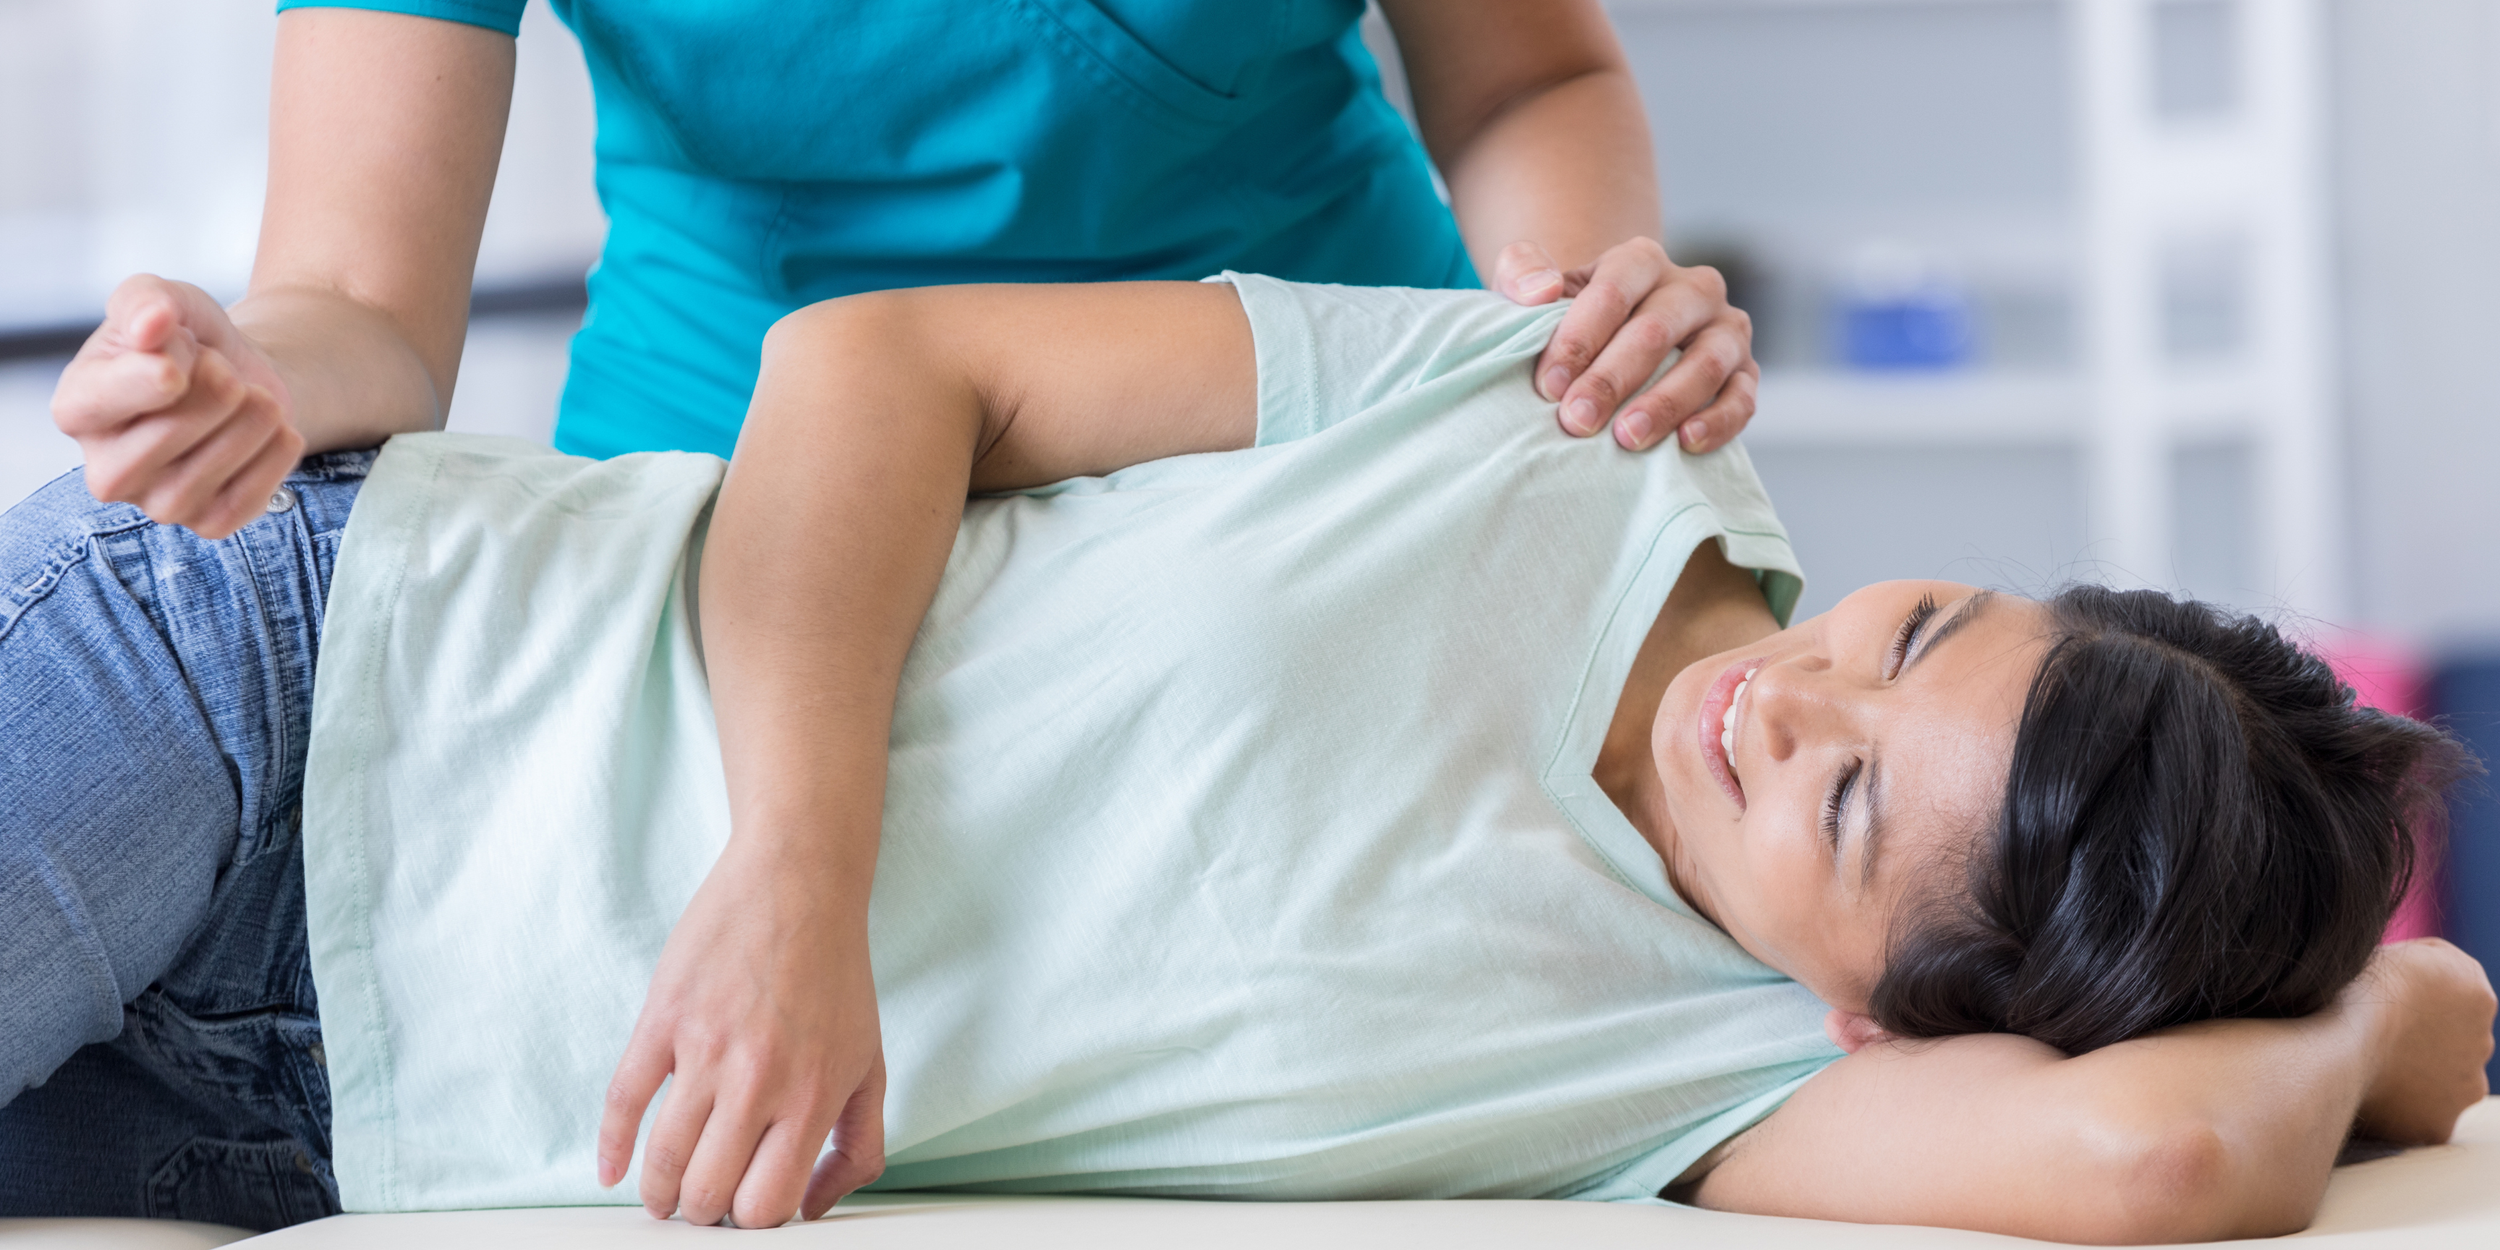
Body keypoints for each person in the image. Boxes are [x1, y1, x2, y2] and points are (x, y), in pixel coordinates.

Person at [3, 276, 2490, 1236]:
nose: (1789, 699)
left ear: (1879, 1009)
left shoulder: (1701, 1074)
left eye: (1843, 808)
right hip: (305, 683)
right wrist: (794, 874)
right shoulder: (1555, 409)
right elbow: (872, 370)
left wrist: (2382, 1005)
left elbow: (2155, 1153)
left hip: (336, 1115)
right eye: (1912, 628)